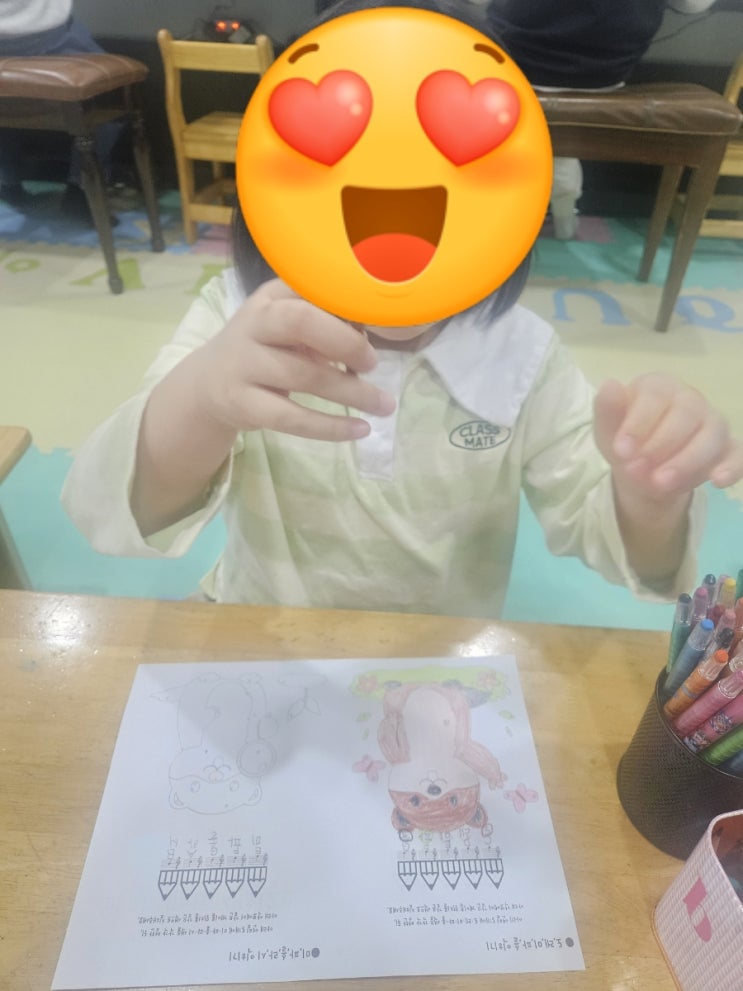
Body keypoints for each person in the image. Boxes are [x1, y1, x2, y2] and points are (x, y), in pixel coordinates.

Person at [61, 0, 743, 618]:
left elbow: (628, 553)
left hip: (436, 668)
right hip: (261, 632)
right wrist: (205, 400)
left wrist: (649, 493)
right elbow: (113, 510)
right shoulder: (239, 322)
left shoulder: (522, 356)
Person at [484, 0, 720, 238]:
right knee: (559, 140)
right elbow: (693, 6)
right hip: (601, 71)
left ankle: (508, 212)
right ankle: (563, 214)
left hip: (515, 61)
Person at [0, 0, 123, 219]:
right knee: (110, 96)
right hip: (53, 36)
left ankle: (7, 181)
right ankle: (82, 190)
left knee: (8, 103)